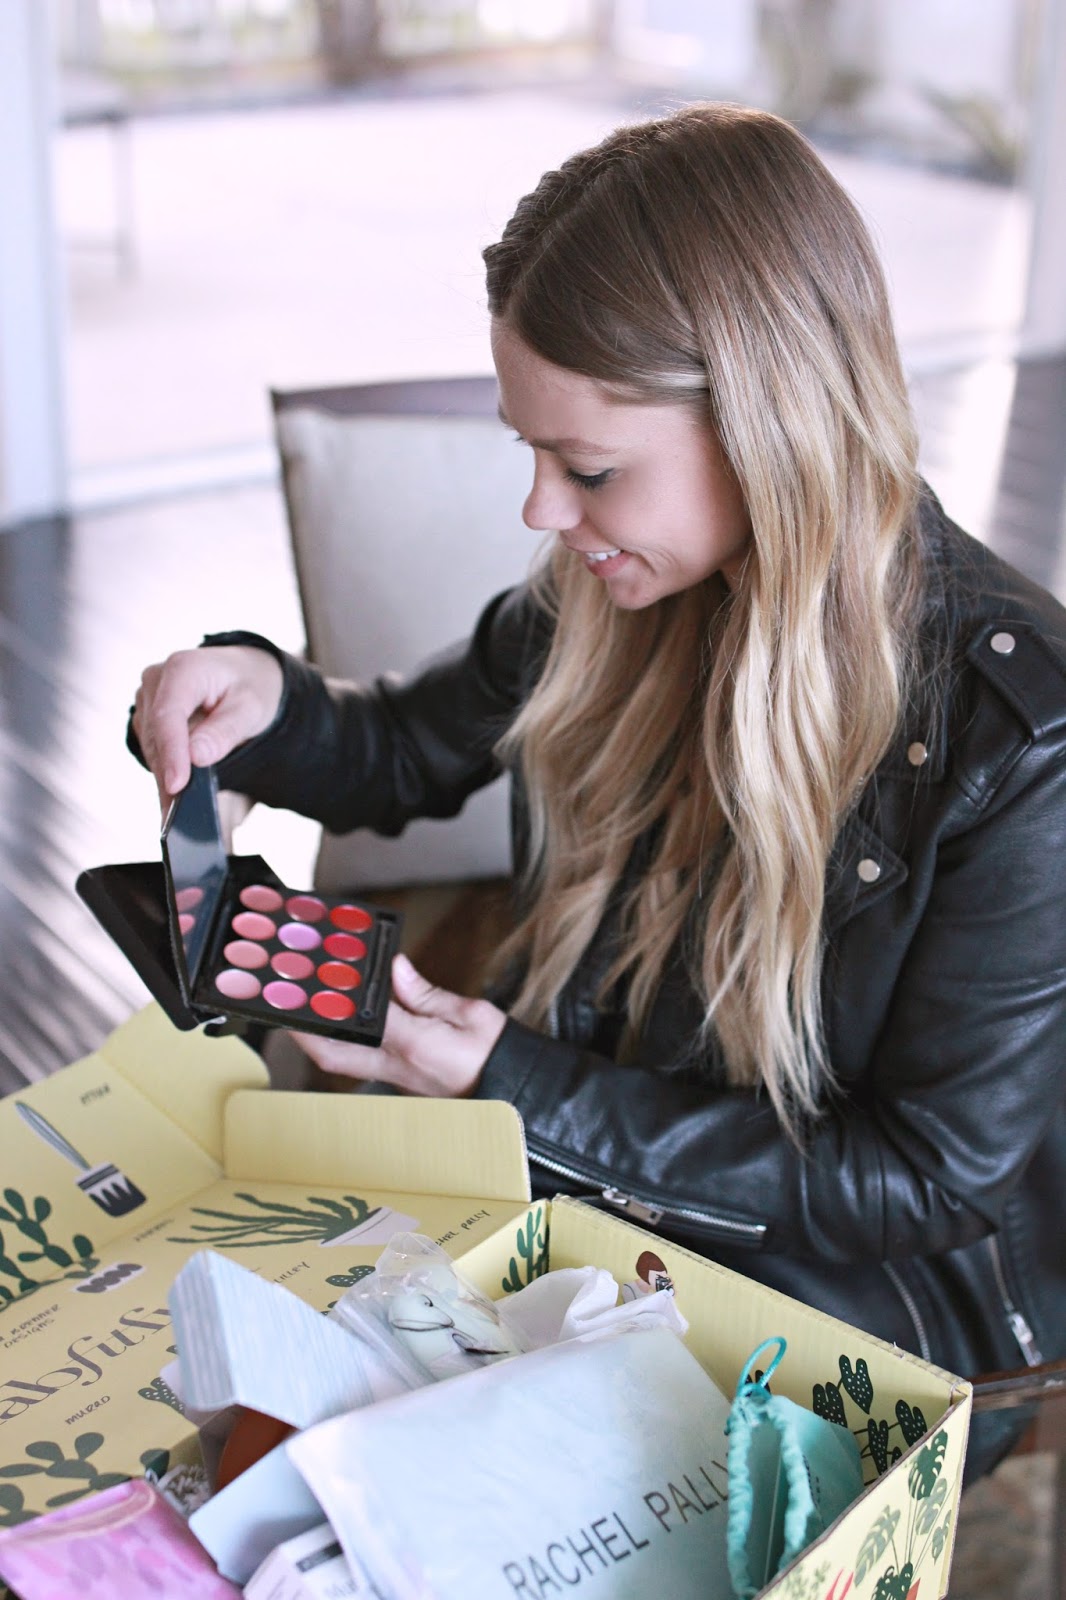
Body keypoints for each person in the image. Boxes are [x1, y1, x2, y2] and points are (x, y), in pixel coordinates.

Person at [132, 104, 1066, 1479]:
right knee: (249, 1395)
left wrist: (511, 1083)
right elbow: (400, 751)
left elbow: (919, 1180)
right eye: (529, 451)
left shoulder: (1011, 738)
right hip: (595, 1204)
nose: (540, 511)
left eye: (585, 468)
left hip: (874, 1315)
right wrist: (268, 699)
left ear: (766, 421)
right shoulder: (614, 598)